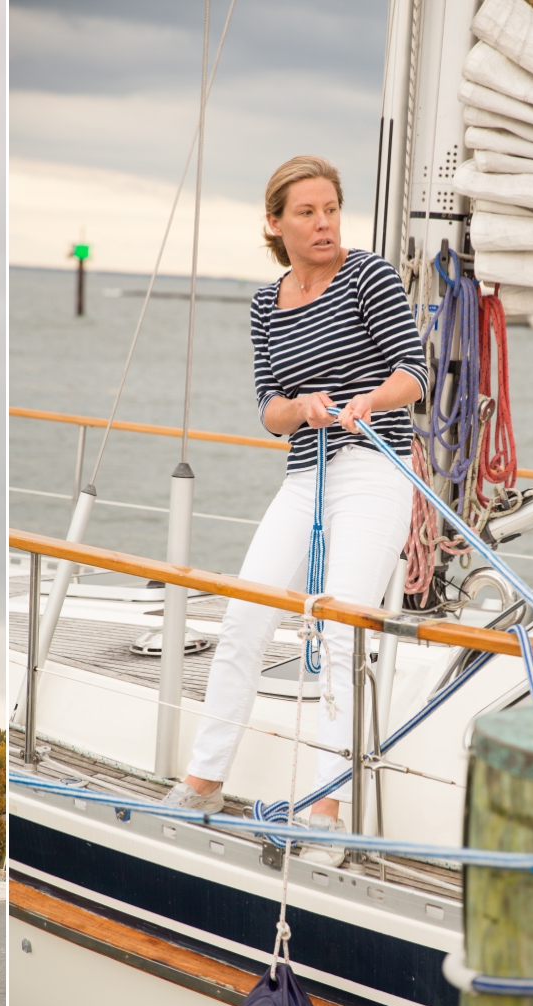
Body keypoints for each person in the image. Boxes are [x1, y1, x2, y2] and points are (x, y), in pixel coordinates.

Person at [162, 155, 426, 864]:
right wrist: (302, 408)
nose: (324, 224)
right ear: (275, 224)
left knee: (338, 632)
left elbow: (415, 371)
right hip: (303, 471)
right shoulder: (264, 301)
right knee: (245, 617)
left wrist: (372, 400)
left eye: (332, 209)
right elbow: (268, 409)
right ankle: (203, 781)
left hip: (373, 467)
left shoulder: (369, 275)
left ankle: (326, 809)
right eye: (307, 212)